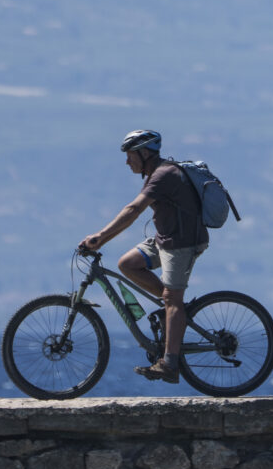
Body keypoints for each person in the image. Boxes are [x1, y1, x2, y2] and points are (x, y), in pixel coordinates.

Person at [79, 129, 206, 383]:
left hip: (182, 242)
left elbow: (134, 209)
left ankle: (169, 363)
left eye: (130, 156)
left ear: (144, 153)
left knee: (172, 298)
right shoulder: (154, 173)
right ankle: (172, 311)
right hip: (165, 239)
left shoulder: (163, 174)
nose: (127, 162)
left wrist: (100, 238)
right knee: (128, 264)